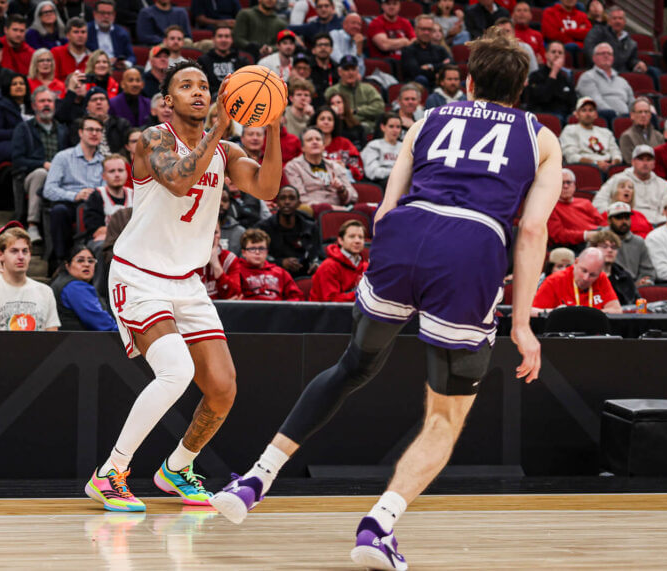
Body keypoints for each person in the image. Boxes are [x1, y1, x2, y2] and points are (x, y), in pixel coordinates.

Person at [209, 33, 562, 571]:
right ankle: (378, 526)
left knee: (353, 365)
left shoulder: (428, 120)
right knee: (445, 416)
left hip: (404, 235)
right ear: (522, 90)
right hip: (470, 248)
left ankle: (257, 476)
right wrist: (524, 325)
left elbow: (384, 209)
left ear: (468, 82)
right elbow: (533, 229)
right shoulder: (540, 138)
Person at [86, 59, 284, 511]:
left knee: (222, 387)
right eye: (187, 86)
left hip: (187, 279)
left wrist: (271, 126)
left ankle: (177, 468)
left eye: (204, 86)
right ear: (166, 102)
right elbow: (177, 180)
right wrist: (218, 128)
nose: (199, 92)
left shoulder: (226, 151)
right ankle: (110, 472)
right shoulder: (153, 138)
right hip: (139, 274)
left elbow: (268, 188)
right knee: (176, 371)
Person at [44, 115, 106, 263]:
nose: (94, 133)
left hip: (95, 206)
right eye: (90, 129)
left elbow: (106, 187)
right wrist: (75, 195)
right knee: (59, 211)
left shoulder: (104, 160)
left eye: (98, 130)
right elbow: (49, 189)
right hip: (69, 203)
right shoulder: (63, 157)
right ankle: (61, 260)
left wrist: (96, 194)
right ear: (80, 133)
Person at [12, 87, 69, 243]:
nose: (46, 104)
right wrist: (43, 164)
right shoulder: (24, 129)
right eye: (42, 101)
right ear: (34, 105)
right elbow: (17, 160)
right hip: (31, 177)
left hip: (60, 177)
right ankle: (32, 225)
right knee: (41, 174)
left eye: (49, 101)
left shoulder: (63, 130)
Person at [0, 227, 60, 331]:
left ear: (30, 255)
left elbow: (52, 337)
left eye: (25, 251)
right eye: (14, 251)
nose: (21, 256)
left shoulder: (46, 291)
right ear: (0, 255)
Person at [284, 126, 356, 211]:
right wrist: (330, 208)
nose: (314, 142)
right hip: (313, 212)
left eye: (318, 139)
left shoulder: (335, 166)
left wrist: (341, 190)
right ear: (302, 148)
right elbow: (300, 198)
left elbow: (354, 196)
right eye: (309, 140)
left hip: (341, 209)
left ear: (323, 146)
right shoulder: (293, 167)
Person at [593, 144, 667, 225]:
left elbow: (666, 211)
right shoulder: (617, 179)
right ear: (633, 162)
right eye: (641, 159)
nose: (645, 163)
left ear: (654, 163)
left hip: (654, 224)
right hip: (625, 223)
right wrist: (614, 215)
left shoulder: (663, 184)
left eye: (649, 159)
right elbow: (598, 202)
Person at [256, 185, 321, 278]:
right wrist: (281, 262)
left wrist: (316, 264)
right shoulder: (263, 228)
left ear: (299, 203)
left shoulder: (311, 227)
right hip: (275, 275)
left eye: (292, 198)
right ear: (277, 202)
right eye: (283, 198)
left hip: (307, 275)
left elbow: (319, 255)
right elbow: (256, 256)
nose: (287, 202)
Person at [532, 247, 621, 315]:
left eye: (592, 275)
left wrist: (585, 315)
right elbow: (531, 312)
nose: (586, 278)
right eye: (584, 271)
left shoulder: (601, 278)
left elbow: (616, 311)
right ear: (576, 262)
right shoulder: (554, 280)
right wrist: (556, 313)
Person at [51, 244, 118, 330]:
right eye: (80, 260)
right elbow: (101, 322)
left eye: (91, 261)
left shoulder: (61, 281)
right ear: (67, 265)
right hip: (78, 341)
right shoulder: (75, 287)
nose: (86, 264)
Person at [228, 228, 304, 300]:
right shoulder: (236, 271)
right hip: (249, 311)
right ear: (244, 252)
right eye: (252, 249)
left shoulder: (280, 273)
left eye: (261, 248)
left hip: (277, 312)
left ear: (267, 252)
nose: (257, 252)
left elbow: (296, 297)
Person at [323, 55, 385, 134]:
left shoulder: (368, 89)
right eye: (346, 69)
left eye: (353, 69)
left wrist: (356, 111)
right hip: (343, 128)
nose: (350, 73)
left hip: (368, 127)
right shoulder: (332, 91)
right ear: (339, 72)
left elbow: (380, 108)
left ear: (357, 71)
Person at [559, 97, 621, 174]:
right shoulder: (570, 130)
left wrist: (614, 163)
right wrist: (596, 163)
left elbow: (616, 152)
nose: (588, 114)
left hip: (609, 166)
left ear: (596, 114)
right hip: (585, 168)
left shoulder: (606, 132)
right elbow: (571, 156)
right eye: (584, 110)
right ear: (577, 114)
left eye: (591, 110)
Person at [308, 219, 367, 301]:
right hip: (329, 313)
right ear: (340, 240)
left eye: (361, 237)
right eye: (352, 236)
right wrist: (364, 295)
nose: (357, 241)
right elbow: (332, 302)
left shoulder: (367, 267)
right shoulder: (328, 267)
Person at [83, 154, 134, 248]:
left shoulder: (134, 195)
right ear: (103, 176)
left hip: (131, 241)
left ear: (127, 173)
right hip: (105, 243)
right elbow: (96, 231)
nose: (117, 174)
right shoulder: (96, 196)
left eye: (121, 170)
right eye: (112, 171)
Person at [576, 43, 635, 122]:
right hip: (604, 118)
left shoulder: (622, 81)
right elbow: (595, 102)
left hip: (626, 117)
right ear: (594, 58)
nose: (606, 56)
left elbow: (632, 101)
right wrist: (616, 115)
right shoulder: (587, 77)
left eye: (609, 54)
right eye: (602, 53)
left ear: (613, 58)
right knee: (608, 113)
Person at [602, 201, 655, 286]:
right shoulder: (599, 239)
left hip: (635, 289)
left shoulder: (639, 242)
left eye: (627, 217)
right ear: (609, 220)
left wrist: (642, 282)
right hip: (607, 286)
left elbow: (648, 272)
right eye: (619, 218)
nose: (624, 221)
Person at [547, 168, 603, 248]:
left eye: (568, 182)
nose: (565, 186)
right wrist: (585, 235)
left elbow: (601, 222)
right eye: (561, 183)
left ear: (574, 185)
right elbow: (558, 235)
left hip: (596, 237)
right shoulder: (551, 206)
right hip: (573, 245)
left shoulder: (586, 202)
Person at [583, 6, 647, 76]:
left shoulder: (631, 43)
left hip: (622, 75)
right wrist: (602, 64)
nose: (618, 21)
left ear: (625, 22)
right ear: (609, 21)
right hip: (600, 72)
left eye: (620, 18)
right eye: (614, 18)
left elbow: (631, 61)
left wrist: (637, 64)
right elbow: (589, 49)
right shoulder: (598, 32)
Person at [66, 87, 131, 153]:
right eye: (94, 100)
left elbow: (128, 148)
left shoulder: (121, 124)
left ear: (108, 105)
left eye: (102, 99)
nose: (98, 102)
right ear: (87, 107)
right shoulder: (78, 125)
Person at [0, 74, 33, 167]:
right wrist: (20, 133)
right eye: (14, 84)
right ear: (8, 87)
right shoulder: (0, 106)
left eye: (22, 83)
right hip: (8, 143)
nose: (18, 86)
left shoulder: (33, 106)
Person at [523, 41, 575, 120]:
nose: (557, 55)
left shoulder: (566, 77)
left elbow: (572, 102)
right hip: (542, 116)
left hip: (564, 117)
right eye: (553, 52)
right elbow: (543, 97)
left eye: (560, 53)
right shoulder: (535, 76)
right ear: (546, 55)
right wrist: (554, 72)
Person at [587, 229, 638, 305]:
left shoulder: (624, 277)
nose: (610, 250)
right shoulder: (585, 277)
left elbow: (636, 304)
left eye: (613, 247)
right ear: (593, 249)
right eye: (604, 246)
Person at [198, 25, 252, 97]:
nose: (223, 40)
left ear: (232, 40)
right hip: (213, 98)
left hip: (238, 96)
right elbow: (202, 86)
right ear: (213, 39)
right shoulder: (203, 61)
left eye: (227, 36)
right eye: (220, 36)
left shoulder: (242, 61)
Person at [402, 14, 452, 89]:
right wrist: (440, 69)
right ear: (415, 30)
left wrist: (431, 67)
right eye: (423, 29)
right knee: (421, 79)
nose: (426, 32)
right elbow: (415, 73)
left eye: (429, 29)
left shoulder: (440, 49)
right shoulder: (408, 50)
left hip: (440, 87)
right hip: (418, 89)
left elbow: (451, 65)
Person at [314, 106, 363, 181]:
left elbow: (359, 170)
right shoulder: (309, 143)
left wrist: (345, 167)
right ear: (315, 123)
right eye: (322, 119)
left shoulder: (344, 143)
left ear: (334, 124)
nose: (326, 122)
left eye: (330, 119)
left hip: (343, 182)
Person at [86, 0, 134, 66]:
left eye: (109, 13)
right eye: (102, 13)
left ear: (114, 15)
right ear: (94, 14)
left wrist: (125, 63)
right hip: (93, 67)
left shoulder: (122, 33)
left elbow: (131, 56)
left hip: (116, 67)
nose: (106, 16)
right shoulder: (85, 31)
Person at [361, 112, 402, 188]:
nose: (395, 130)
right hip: (383, 181)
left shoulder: (405, 147)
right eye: (391, 126)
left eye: (398, 127)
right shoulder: (373, 145)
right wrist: (395, 173)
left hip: (403, 179)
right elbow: (372, 172)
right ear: (383, 127)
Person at [199, 225, 241, 299]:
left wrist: (216, 266)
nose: (211, 237)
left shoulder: (229, 259)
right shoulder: (188, 260)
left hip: (223, 310)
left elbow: (235, 295)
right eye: (207, 232)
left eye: (215, 232)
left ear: (220, 234)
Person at [618, 98, 664, 164]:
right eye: (640, 112)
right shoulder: (626, 137)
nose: (643, 115)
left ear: (650, 115)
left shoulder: (659, 136)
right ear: (632, 115)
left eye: (646, 112)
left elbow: (662, 159)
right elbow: (630, 161)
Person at [51, 17, 91, 82]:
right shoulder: (56, 53)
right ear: (68, 35)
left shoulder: (91, 57)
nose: (80, 35)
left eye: (83, 32)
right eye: (76, 32)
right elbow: (52, 80)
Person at [330, 13, 365, 77]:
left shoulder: (358, 42)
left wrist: (359, 50)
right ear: (344, 25)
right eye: (353, 23)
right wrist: (351, 67)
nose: (356, 26)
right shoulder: (335, 34)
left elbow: (361, 73)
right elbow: (335, 56)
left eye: (359, 24)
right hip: (335, 74)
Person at [219, 188, 246, 255]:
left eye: (225, 200)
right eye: (216, 200)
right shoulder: (199, 230)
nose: (221, 204)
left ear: (230, 204)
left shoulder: (240, 232)